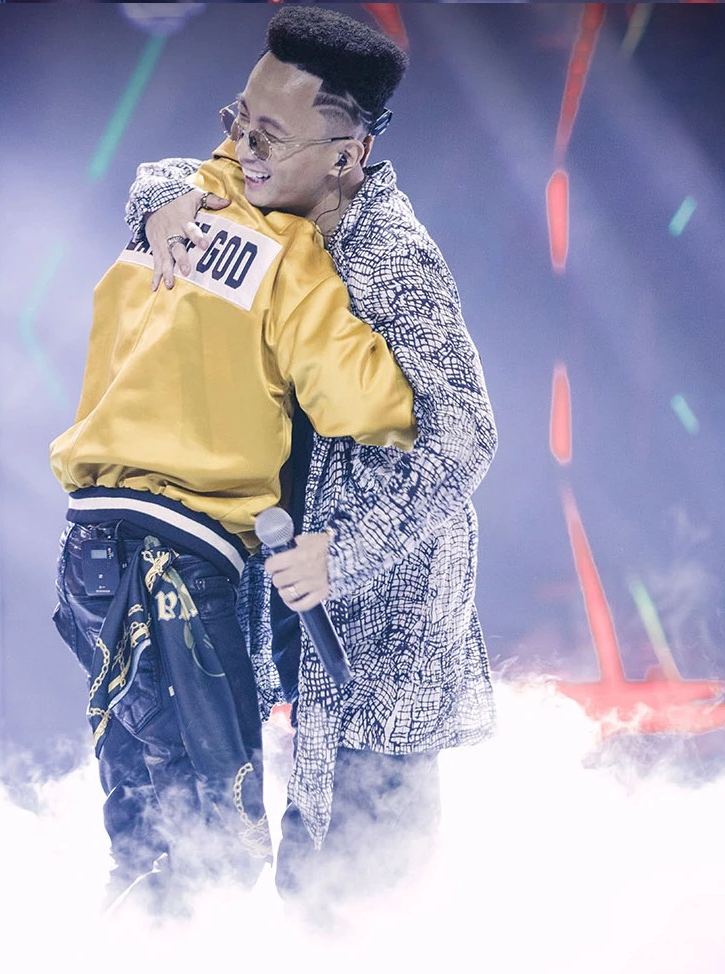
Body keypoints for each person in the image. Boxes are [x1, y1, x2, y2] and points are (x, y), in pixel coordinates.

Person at [126, 5, 498, 911]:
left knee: (357, 896)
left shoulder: (393, 263)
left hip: (379, 629)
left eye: (269, 135)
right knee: (224, 859)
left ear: (346, 155)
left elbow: (464, 434)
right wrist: (160, 202)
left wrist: (346, 550)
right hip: (273, 599)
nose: (242, 149)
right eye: (238, 119)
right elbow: (171, 179)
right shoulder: (252, 197)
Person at [49, 140, 418, 913]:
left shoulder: (168, 212)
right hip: (177, 556)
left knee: (144, 820)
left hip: (89, 548)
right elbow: (374, 405)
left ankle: (126, 950)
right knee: (218, 841)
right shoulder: (287, 251)